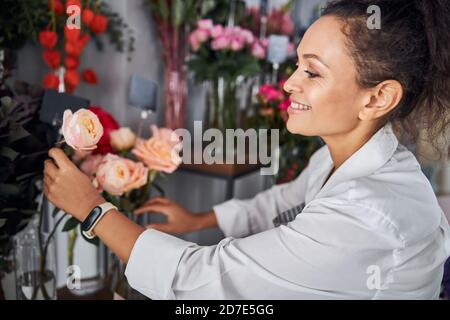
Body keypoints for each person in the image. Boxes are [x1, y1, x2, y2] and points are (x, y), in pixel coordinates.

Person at [43, 0, 450, 299]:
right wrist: (195, 218)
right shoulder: (336, 156)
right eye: (296, 65)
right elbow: (283, 201)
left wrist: (92, 209)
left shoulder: (366, 214)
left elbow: (202, 278)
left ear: (378, 98)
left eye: (312, 71)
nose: (290, 83)